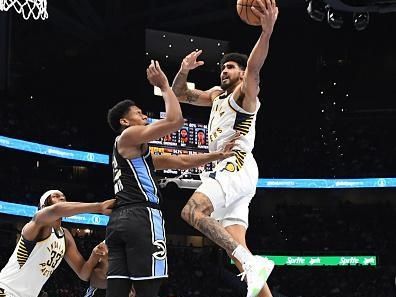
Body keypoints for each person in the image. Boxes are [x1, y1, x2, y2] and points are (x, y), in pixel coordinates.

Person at [171, 1, 278, 296]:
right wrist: (183, 69)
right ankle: (251, 267)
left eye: (230, 67)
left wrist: (266, 32)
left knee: (191, 211)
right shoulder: (217, 96)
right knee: (237, 253)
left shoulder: (245, 94)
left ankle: (250, 262)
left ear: (242, 74)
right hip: (230, 169)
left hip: (236, 163)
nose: (224, 71)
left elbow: (255, 67)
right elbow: (180, 93)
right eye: (222, 67)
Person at [105, 60, 238, 297]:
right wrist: (165, 86)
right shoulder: (129, 135)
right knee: (148, 290)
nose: (144, 115)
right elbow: (176, 122)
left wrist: (219, 154)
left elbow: (182, 161)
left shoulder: (135, 154)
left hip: (119, 221)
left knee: (117, 292)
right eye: (138, 113)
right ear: (124, 122)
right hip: (142, 216)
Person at [0, 190, 115, 297]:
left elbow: (83, 273)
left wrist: (94, 256)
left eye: (63, 197)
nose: (62, 197)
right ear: (43, 205)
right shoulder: (37, 224)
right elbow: (56, 210)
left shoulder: (65, 236)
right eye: (56, 196)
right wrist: (100, 207)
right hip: (5, 289)